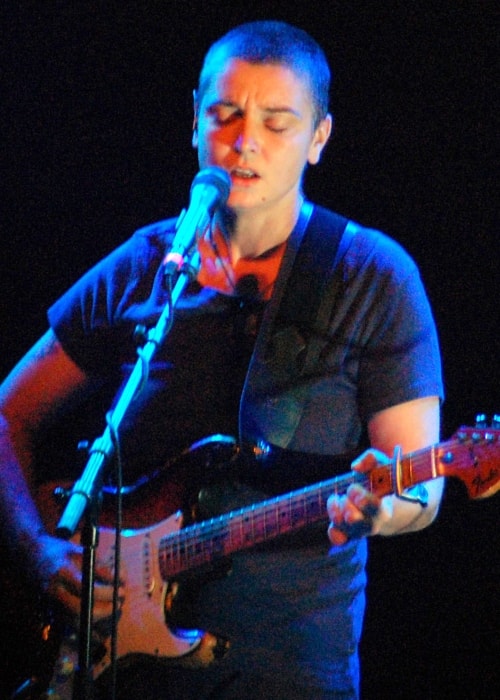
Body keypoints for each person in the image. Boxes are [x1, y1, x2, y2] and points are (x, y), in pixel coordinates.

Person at [0, 19, 444, 700]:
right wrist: (38, 549)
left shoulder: (374, 276)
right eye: (226, 115)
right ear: (195, 121)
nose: (244, 143)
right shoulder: (148, 264)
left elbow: (421, 484)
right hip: (117, 671)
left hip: (288, 671)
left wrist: (383, 509)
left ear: (318, 139)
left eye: (277, 123)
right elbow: (8, 413)